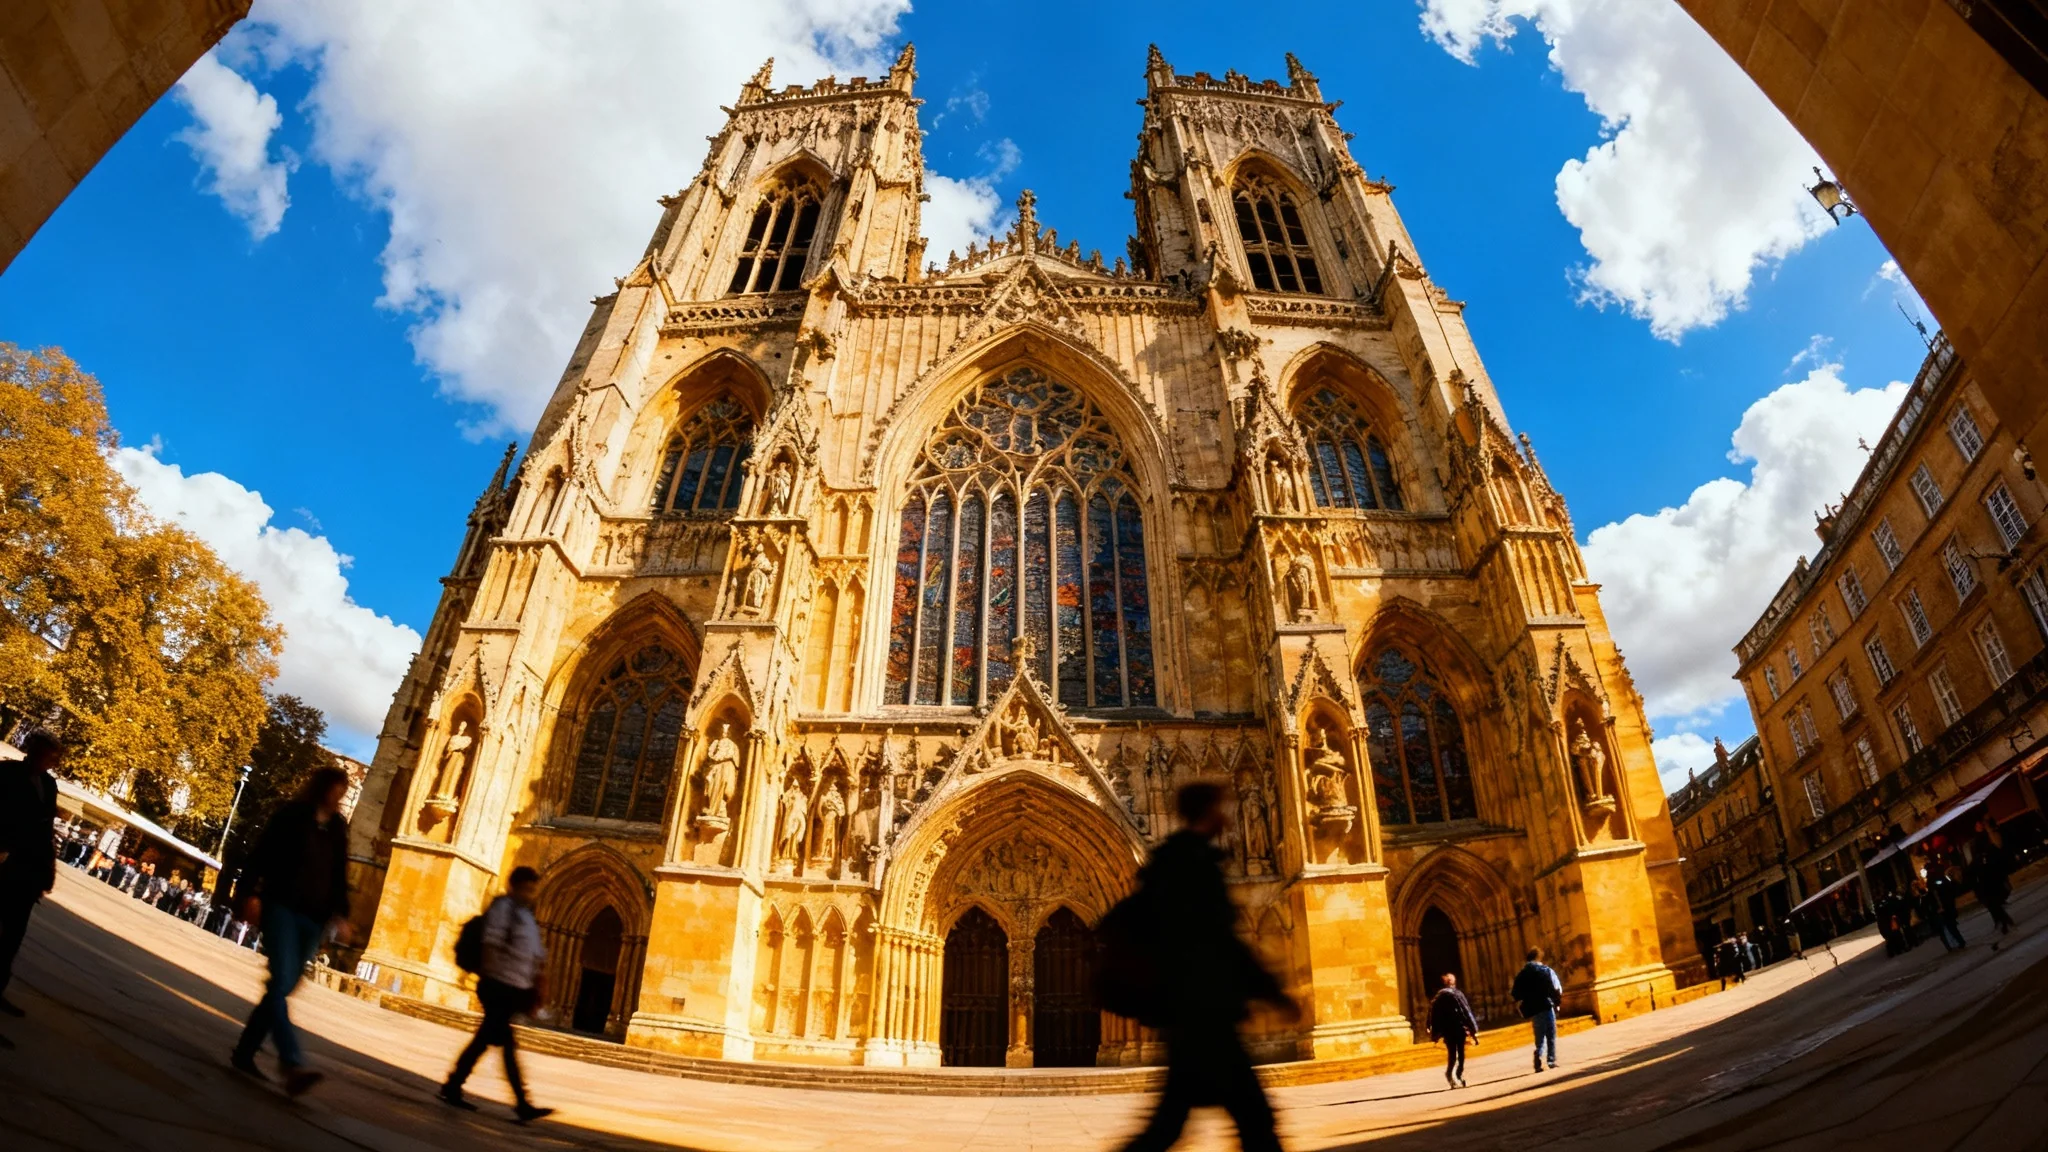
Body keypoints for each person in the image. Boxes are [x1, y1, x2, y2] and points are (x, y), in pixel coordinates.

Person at [1120, 782, 1296, 1152]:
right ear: (1208, 812)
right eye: (1221, 807)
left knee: (1170, 1126)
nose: (1228, 816)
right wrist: (1271, 991)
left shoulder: (1174, 861)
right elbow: (1218, 941)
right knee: (1253, 1120)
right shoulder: (1193, 864)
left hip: (1190, 1013)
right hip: (1204, 1013)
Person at [229, 766, 354, 1095]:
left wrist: (342, 914)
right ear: (322, 787)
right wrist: (247, 894)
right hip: (281, 905)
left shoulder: (338, 828)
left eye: (344, 790)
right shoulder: (292, 815)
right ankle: (291, 1062)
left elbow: (339, 873)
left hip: (314, 917)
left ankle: (244, 1052)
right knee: (282, 979)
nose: (340, 795)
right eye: (336, 788)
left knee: (282, 987)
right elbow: (261, 854)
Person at [441, 866, 554, 1124]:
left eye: (533, 889)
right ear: (513, 886)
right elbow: (491, 944)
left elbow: (537, 957)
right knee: (506, 1045)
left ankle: (453, 1085)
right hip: (498, 986)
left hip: (513, 988)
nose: (531, 894)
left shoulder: (526, 916)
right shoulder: (505, 909)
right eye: (527, 888)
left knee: (486, 1040)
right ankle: (522, 1103)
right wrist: (489, 978)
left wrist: (536, 988)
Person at [0, 730, 62, 1017]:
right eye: (46, 754)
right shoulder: (8, 773)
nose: (50, 761)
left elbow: (45, 828)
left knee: (13, 936)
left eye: (53, 758)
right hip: (5, 862)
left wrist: (47, 867)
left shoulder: (49, 786)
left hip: (28, 869)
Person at [1510, 946, 1563, 1072]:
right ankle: (1551, 1060)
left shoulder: (1522, 975)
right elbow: (1553, 988)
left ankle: (1539, 1055)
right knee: (1550, 1033)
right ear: (1539, 957)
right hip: (1546, 1005)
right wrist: (1557, 1003)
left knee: (1539, 1036)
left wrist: (1526, 1000)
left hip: (1533, 1009)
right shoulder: (1545, 970)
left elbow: (1515, 993)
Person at [1426, 973, 1479, 1088]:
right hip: (1458, 1028)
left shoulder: (1437, 998)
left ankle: (1454, 1076)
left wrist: (1434, 1032)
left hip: (1448, 1030)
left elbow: (1432, 1016)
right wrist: (1473, 1029)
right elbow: (1466, 1012)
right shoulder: (1456, 994)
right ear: (1452, 983)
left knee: (1453, 1053)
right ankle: (1454, 1075)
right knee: (1459, 1053)